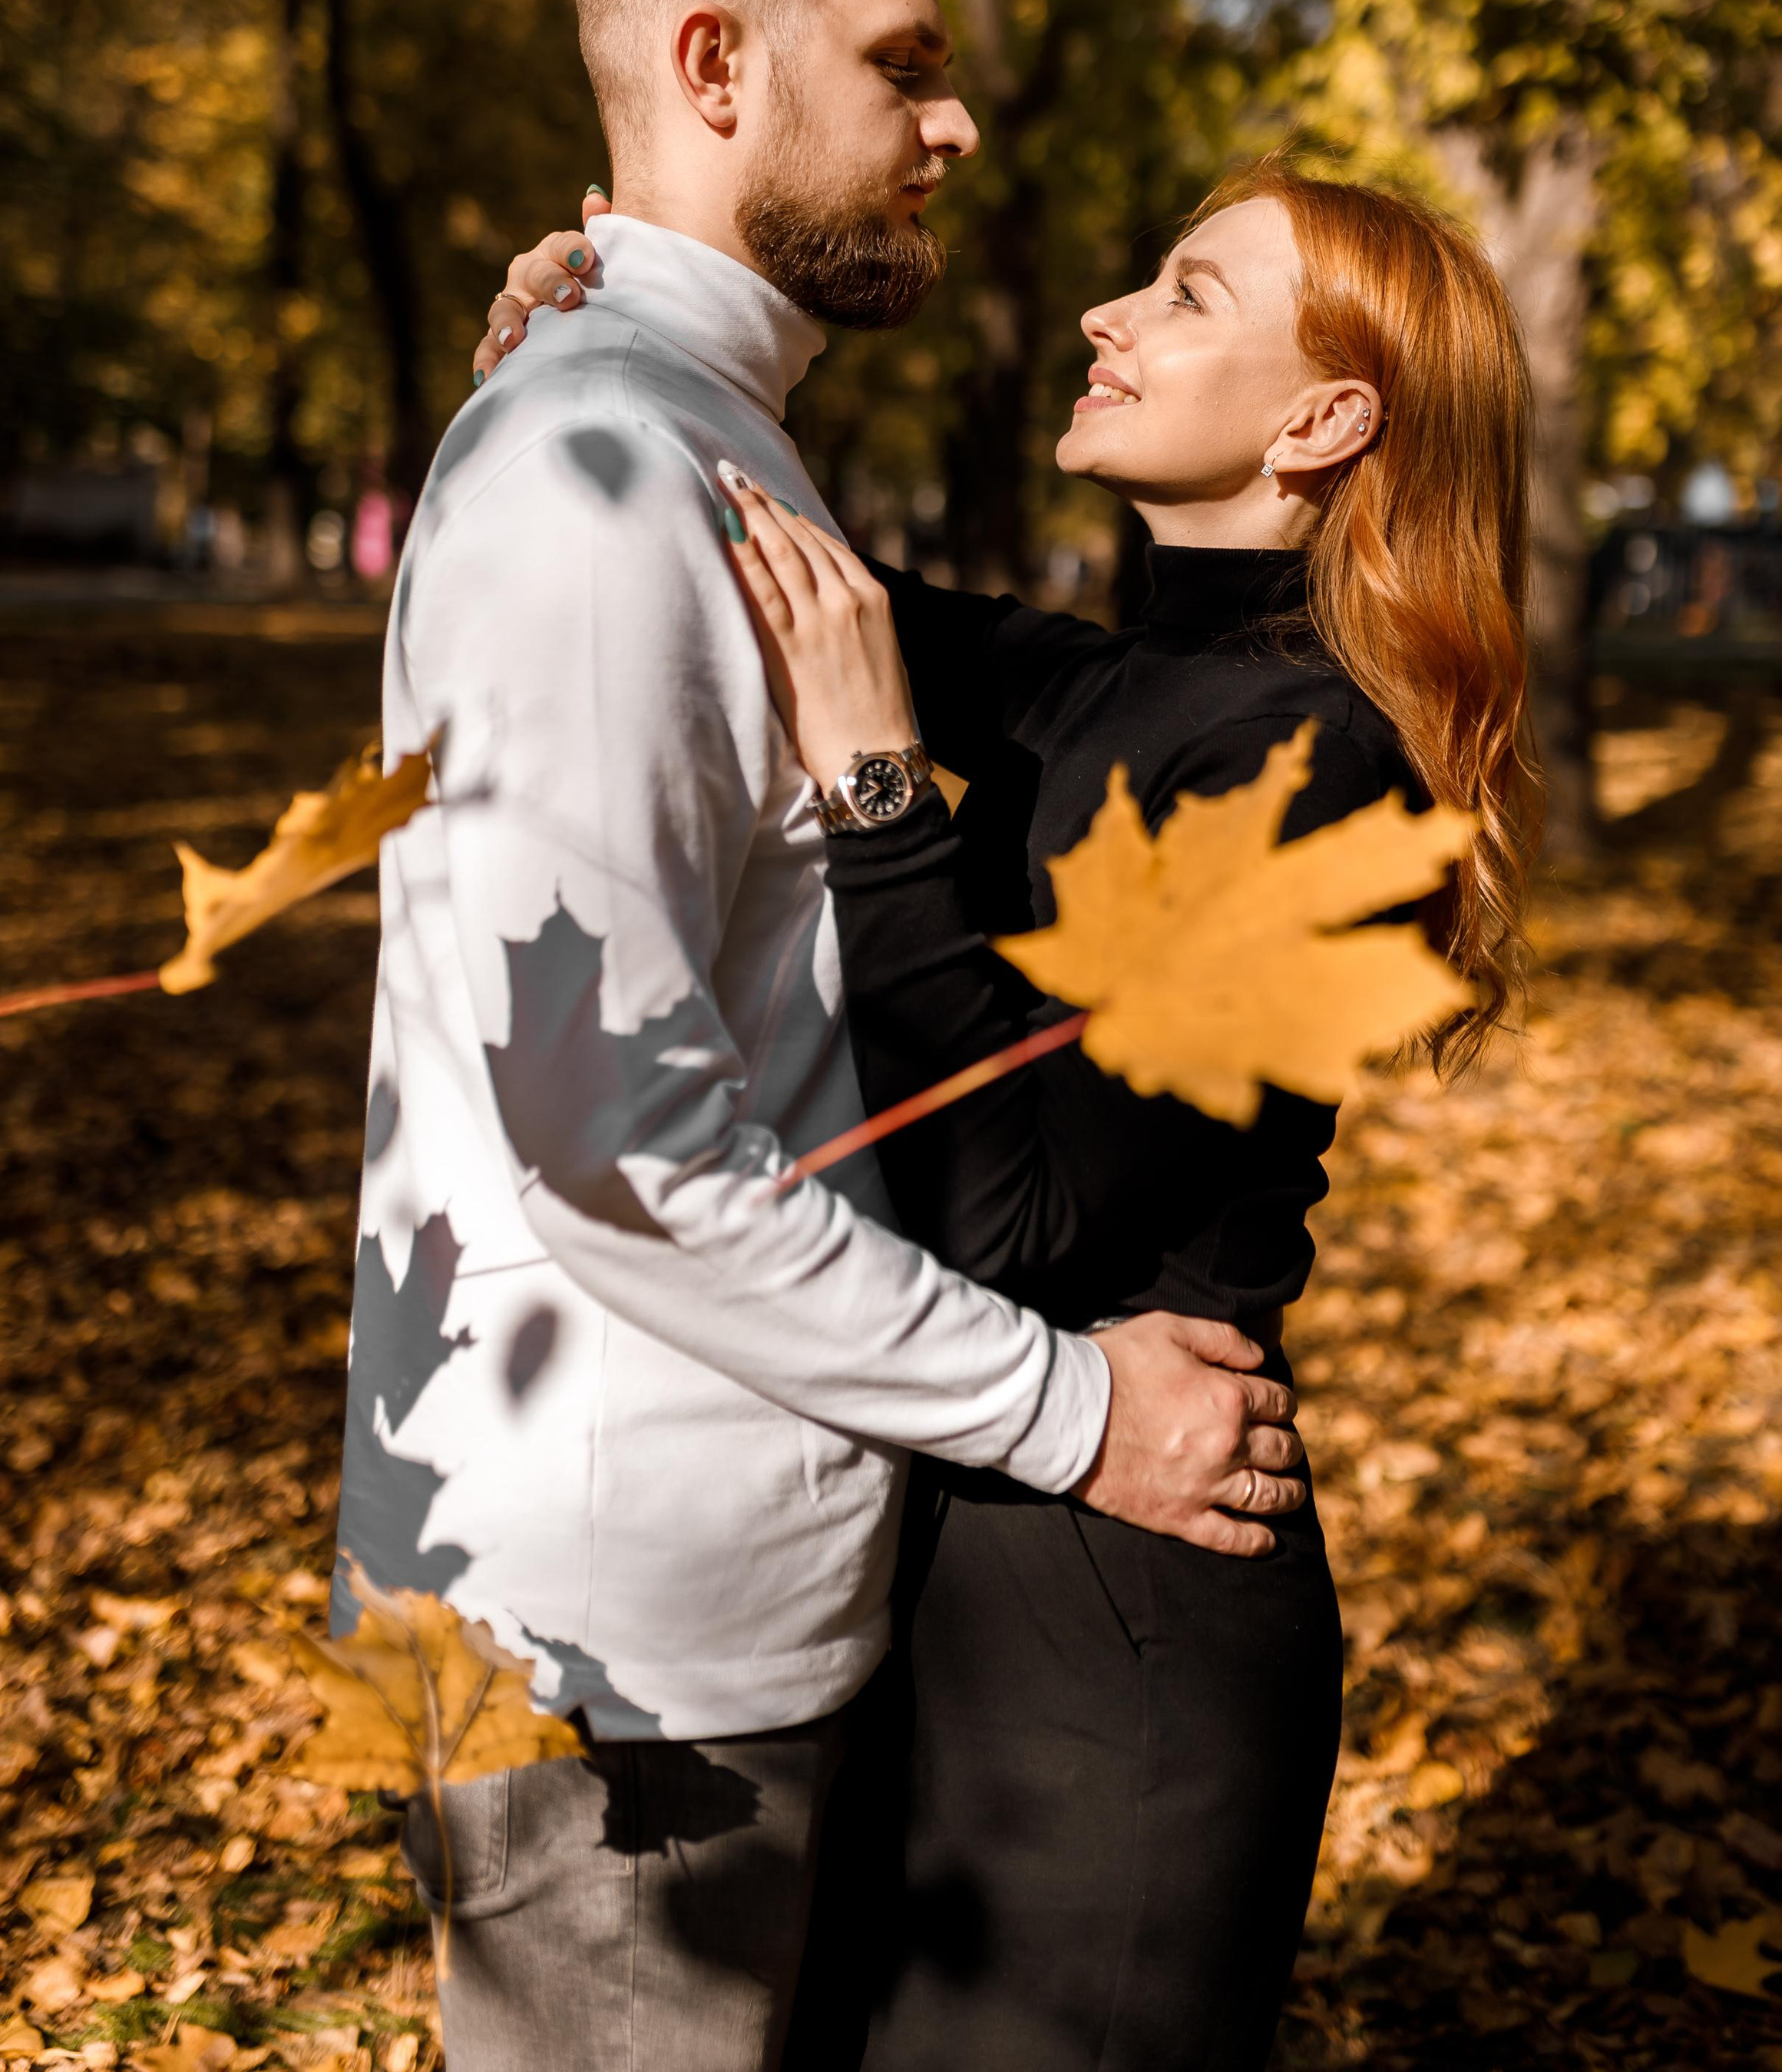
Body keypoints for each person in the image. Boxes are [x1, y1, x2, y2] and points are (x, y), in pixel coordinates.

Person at [347, 0, 1305, 2072]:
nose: (954, 122)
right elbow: (614, 1137)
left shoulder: (701, 436)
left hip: (729, 1587)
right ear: (713, 63)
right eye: (902, 63)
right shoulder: (599, 478)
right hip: (612, 1657)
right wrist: (1082, 1414)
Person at [475, 153, 1539, 2070]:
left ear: (1323, 420)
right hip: (960, 1528)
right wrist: (588, 343)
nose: (1104, 316)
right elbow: (757, 561)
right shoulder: (1114, 681)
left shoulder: (1322, 771)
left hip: (1123, 1614)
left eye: (1188, 294)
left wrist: (885, 799)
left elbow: (1016, 1211)